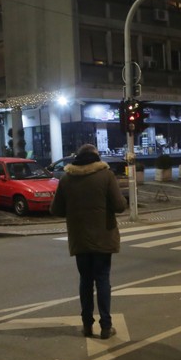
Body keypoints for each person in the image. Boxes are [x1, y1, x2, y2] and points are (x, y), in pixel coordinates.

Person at [50, 144, 127, 339]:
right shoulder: (106, 176)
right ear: (96, 158)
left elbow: (56, 210)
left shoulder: (67, 178)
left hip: (80, 238)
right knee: (102, 279)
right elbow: (119, 206)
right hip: (103, 237)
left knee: (85, 281)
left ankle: (86, 325)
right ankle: (106, 327)